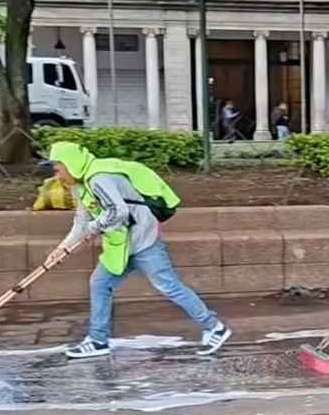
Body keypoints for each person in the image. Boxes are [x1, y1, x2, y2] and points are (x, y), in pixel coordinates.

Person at [43, 142, 232, 359]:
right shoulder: (81, 186)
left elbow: (118, 211)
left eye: (58, 169)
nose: (57, 176)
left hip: (144, 242)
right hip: (121, 246)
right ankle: (97, 341)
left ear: (70, 164)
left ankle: (214, 327)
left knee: (169, 285)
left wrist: (94, 229)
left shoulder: (99, 178)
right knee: (100, 283)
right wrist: (61, 249)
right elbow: (81, 222)